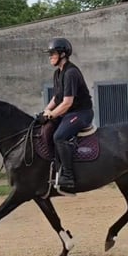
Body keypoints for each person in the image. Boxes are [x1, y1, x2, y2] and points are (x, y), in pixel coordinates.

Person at [36, 37, 94, 192]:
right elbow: (57, 97)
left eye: (53, 53)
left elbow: (67, 102)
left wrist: (51, 115)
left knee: (59, 136)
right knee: (46, 129)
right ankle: (55, 168)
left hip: (81, 113)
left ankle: (68, 176)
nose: (50, 57)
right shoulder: (58, 73)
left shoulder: (71, 73)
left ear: (62, 54)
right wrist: (44, 112)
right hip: (68, 113)